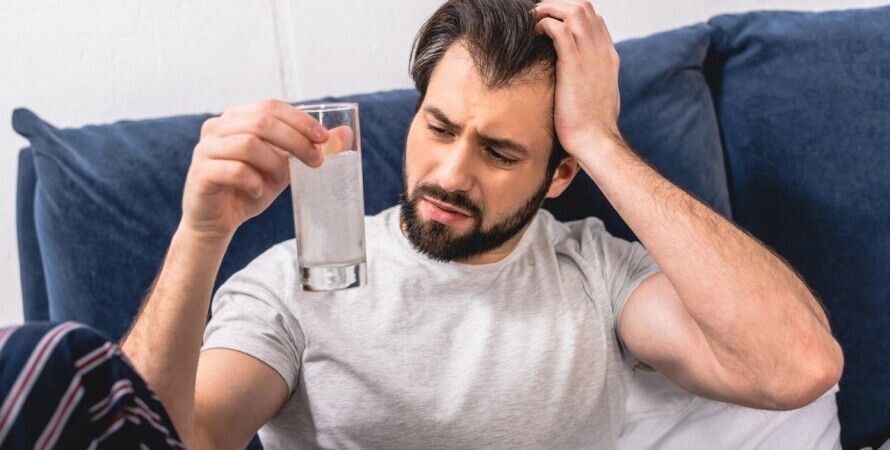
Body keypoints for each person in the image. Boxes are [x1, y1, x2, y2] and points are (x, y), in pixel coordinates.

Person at [0, 0, 843, 448]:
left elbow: (798, 365)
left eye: (501, 152)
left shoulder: (594, 269)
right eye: (438, 128)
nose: (450, 174)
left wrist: (600, 139)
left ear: (559, 176)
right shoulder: (296, 283)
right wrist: (200, 235)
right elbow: (175, 441)